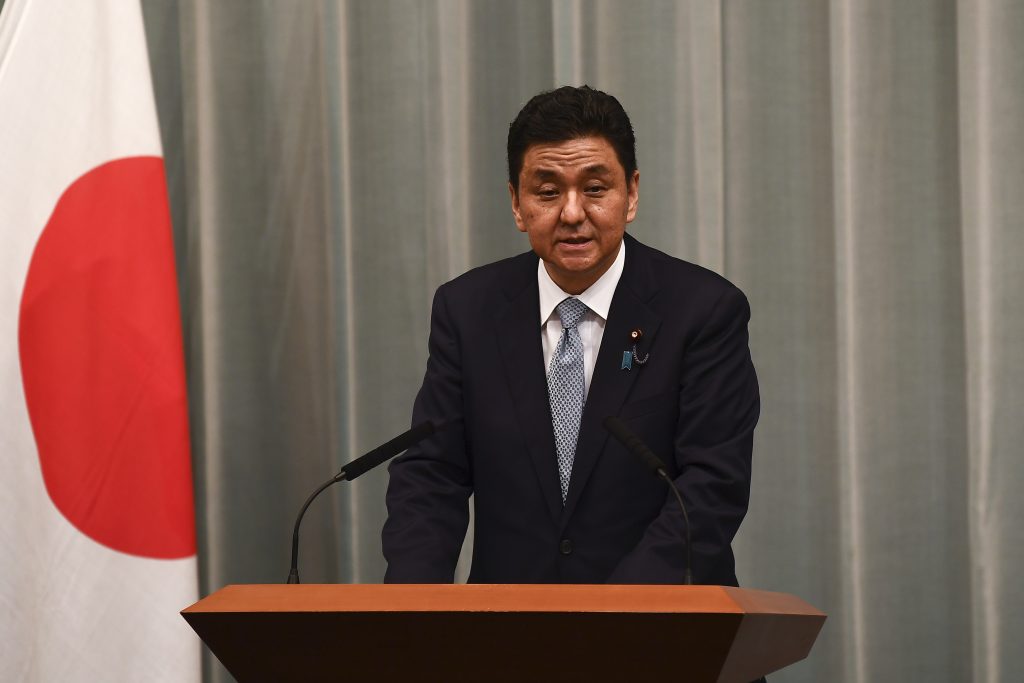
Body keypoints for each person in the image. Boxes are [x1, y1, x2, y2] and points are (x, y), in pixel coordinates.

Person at [382, 85, 759, 586]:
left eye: (596, 188)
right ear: (517, 203)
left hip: (662, 637)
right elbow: (432, 474)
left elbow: (712, 487)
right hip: (509, 640)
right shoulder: (468, 311)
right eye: (548, 191)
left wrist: (611, 619)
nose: (573, 213)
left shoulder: (703, 311)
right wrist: (412, 613)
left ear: (632, 195)